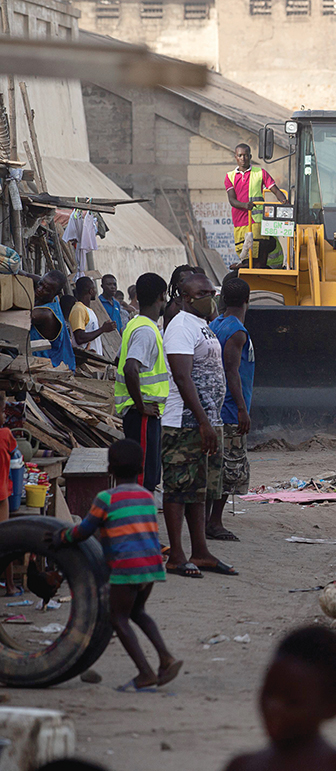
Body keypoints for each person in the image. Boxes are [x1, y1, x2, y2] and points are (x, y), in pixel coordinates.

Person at [47, 439, 182, 692]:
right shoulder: (146, 497)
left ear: (110, 469)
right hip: (151, 566)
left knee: (118, 618)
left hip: (125, 568)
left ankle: (145, 672)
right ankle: (166, 657)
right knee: (139, 612)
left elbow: (84, 531)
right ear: (140, 469)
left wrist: (61, 537)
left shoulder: (105, 498)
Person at [161, 272, 236, 579]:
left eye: (211, 291)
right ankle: (177, 556)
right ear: (184, 297)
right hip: (184, 424)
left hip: (207, 422)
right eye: (203, 293)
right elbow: (182, 377)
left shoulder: (202, 325)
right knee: (178, 488)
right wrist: (203, 421)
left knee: (199, 489)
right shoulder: (179, 325)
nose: (211, 296)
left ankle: (201, 552)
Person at [223, 626, 336, 771]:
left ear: (332, 708)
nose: (273, 707)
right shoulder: (242, 766)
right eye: (269, 693)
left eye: (292, 702)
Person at [207, 278, 256, 542]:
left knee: (214, 466)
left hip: (215, 407)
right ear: (248, 301)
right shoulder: (237, 331)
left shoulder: (214, 324)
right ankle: (215, 522)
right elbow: (231, 371)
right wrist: (241, 409)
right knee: (230, 467)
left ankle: (207, 520)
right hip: (229, 411)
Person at [116, 272, 169, 495]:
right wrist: (141, 406)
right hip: (143, 413)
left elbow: (118, 359)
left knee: (146, 472)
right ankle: (137, 523)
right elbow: (130, 368)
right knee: (143, 476)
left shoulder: (135, 324)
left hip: (143, 412)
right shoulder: (146, 331)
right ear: (161, 297)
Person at [226, 143, 288, 269]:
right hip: (239, 221)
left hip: (257, 221)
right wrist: (244, 205)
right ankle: (245, 264)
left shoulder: (260, 173)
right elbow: (232, 200)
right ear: (236, 157)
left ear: (250, 156)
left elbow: (275, 190)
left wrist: (284, 201)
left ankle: (249, 266)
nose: (243, 158)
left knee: (259, 250)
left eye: (246, 155)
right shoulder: (230, 176)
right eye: (240, 155)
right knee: (243, 249)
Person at [30, 270, 76, 371]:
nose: (40, 289)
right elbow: (29, 276)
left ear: (57, 293)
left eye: (46, 289)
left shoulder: (45, 314)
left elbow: (16, 317)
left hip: (52, 367)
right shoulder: (48, 294)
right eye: (40, 284)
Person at [69, 276, 116, 357]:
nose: (96, 292)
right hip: (86, 361)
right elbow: (79, 338)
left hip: (94, 359)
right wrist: (102, 329)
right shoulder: (78, 309)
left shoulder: (87, 309)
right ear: (91, 291)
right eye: (94, 289)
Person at [0, 392, 15, 595]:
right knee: (6, 539)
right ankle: (11, 585)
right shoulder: (5, 434)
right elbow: (15, 449)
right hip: (2, 494)